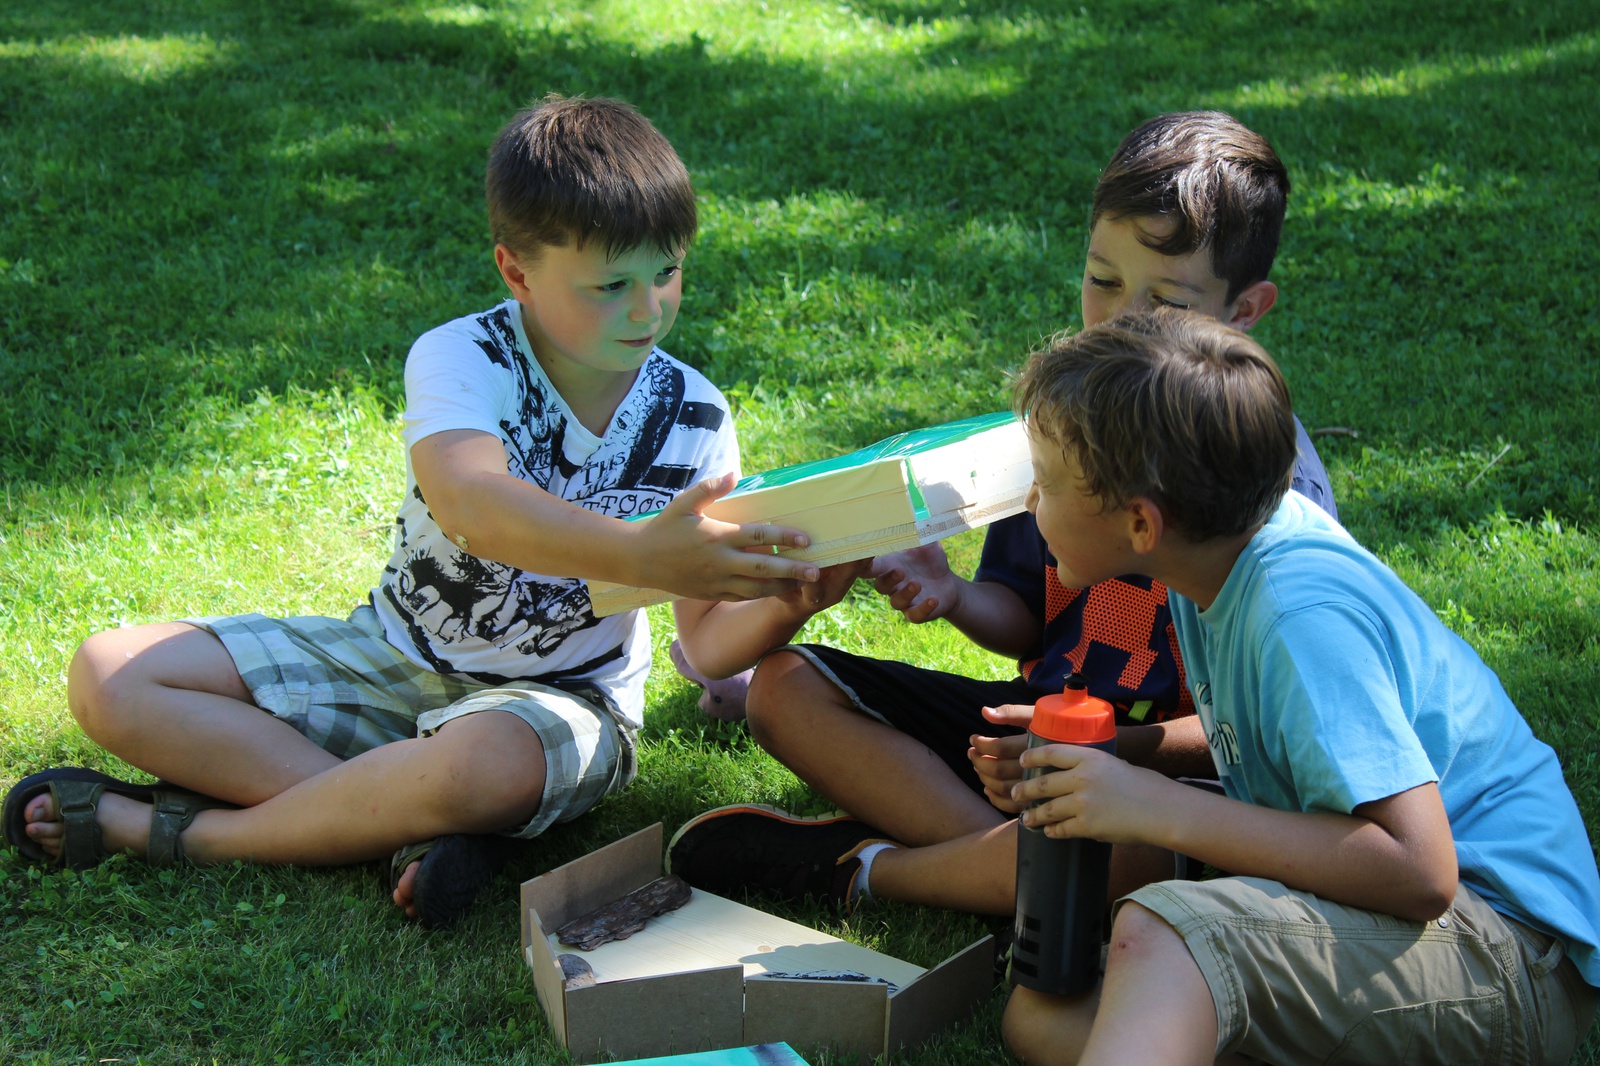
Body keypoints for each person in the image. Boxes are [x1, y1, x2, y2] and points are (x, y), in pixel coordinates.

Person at [0, 95, 850, 928]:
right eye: (610, 284)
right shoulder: (464, 354)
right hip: (388, 653)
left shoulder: (695, 416)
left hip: (559, 702)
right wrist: (639, 554)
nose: (647, 308)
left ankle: (187, 835)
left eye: (666, 272)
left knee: (478, 767)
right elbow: (471, 501)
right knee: (111, 673)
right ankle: (392, 822)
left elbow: (706, 643)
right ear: (516, 271)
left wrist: (788, 601)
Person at [668, 111, 1336, 916]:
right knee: (783, 690)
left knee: (1142, 858)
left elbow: (1259, 737)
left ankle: (893, 870)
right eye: (1103, 279)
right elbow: (1028, 615)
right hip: (1029, 740)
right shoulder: (1064, 420)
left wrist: (1105, 751)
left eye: (1165, 298)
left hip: (1159, 778)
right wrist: (954, 595)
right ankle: (1013, 876)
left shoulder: (1261, 482)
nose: (1120, 318)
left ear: (1245, 308)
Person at [998, 309, 1600, 1065]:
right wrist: (1122, 753)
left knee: (1164, 933)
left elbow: (1420, 870)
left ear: (1142, 524)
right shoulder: (1211, 557)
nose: (1031, 502)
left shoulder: (1298, 615)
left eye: (1046, 482)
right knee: (1040, 1020)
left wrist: (1155, 804)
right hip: (1421, 933)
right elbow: (1269, 728)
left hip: (1507, 957)